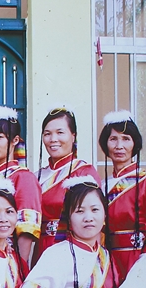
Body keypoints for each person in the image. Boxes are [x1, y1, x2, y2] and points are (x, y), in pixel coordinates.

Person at [98, 110, 146, 278]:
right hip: (108, 259)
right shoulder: (101, 185)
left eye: (126, 139)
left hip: (139, 258)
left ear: (135, 143)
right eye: (113, 139)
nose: (119, 146)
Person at [0, 106, 41, 266]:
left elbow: (26, 229)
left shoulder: (23, 177)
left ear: (15, 140)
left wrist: (18, 266)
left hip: (9, 258)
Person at [35, 108, 100, 257]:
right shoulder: (36, 176)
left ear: (73, 136)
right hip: (42, 249)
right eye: (47, 134)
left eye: (60, 132)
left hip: (73, 249)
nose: (53, 139)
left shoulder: (84, 172)